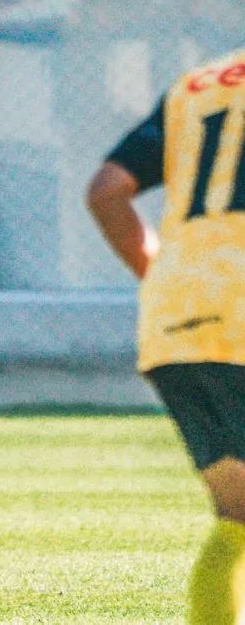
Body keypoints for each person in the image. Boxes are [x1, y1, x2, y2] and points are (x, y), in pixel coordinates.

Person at [86, 46, 245, 624]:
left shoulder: (198, 86)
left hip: (179, 318)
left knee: (237, 517)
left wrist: (168, 280)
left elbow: (106, 190)